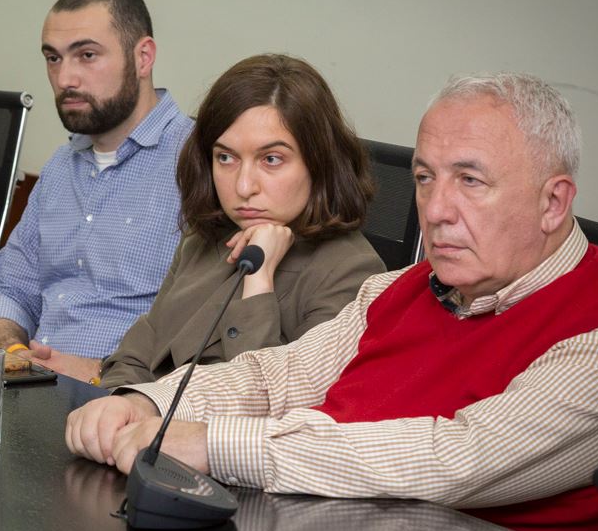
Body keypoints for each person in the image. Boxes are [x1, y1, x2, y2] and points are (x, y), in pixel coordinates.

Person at [66, 72, 598, 531]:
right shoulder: (398, 289)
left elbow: (452, 460)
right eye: (425, 178)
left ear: (553, 202)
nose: (436, 210)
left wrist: (213, 443)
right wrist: (150, 403)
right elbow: (277, 377)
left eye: (470, 180)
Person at [98, 54, 384, 388]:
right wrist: (125, 405)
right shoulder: (203, 238)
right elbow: (134, 355)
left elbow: (279, 400)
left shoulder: (352, 272)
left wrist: (259, 281)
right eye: (226, 157)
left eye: (271, 159)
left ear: (319, 162)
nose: (244, 187)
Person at [0, 0, 193, 375]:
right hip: (34, 383)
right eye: (53, 58)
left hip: (126, 395)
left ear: (143, 58)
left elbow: (205, 338)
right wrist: (12, 350)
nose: (65, 79)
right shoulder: (61, 166)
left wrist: (95, 374)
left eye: (87, 55)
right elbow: (5, 289)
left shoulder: (202, 161)